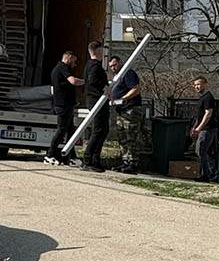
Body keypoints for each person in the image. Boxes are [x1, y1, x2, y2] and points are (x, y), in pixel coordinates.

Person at [108, 55, 149, 171]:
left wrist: (124, 98)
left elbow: (135, 89)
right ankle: (125, 161)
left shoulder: (127, 73)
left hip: (130, 109)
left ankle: (133, 163)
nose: (113, 68)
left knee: (130, 136)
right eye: (111, 66)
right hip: (121, 110)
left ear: (120, 62)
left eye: (115, 65)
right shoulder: (116, 77)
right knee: (122, 137)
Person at [46, 51, 84, 165]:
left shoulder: (58, 69)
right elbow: (73, 81)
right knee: (61, 130)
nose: (75, 64)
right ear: (69, 58)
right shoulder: (62, 68)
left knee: (70, 131)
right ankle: (49, 155)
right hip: (63, 105)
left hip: (65, 104)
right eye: (74, 61)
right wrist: (86, 82)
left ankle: (71, 157)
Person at [81, 41, 109, 172]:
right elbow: (92, 82)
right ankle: (88, 160)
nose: (104, 53)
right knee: (98, 130)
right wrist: (104, 89)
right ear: (97, 51)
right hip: (96, 100)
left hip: (97, 100)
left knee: (103, 130)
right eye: (102, 50)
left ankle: (95, 159)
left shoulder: (92, 65)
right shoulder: (95, 66)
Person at [189, 76, 219, 182]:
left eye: (199, 84)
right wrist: (194, 128)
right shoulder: (202, 98)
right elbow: (200, 116)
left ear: (205, 84)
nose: (197, 86)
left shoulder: (208, 97)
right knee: (204, 151)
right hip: (203, 129)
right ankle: (208, 174)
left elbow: (208, 114)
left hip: (208, 129)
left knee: (201, 150)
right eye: (195, 85)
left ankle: (207, 175)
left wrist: (199, 128)